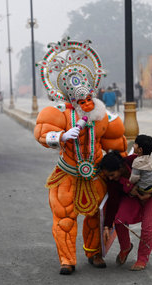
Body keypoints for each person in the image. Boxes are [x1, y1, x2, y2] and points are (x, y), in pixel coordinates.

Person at [34, 38, 127, 275]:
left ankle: (94, 253)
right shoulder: (56, 113)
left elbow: (116, 146)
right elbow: (42, 133)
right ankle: (67, 260)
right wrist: (62, 136)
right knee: (64, 219)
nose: (85, 103)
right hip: (67, 173)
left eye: (88, 99)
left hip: (96, 173)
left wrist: (126, 170)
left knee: (97, 216)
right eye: (80, 100)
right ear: (69, 97)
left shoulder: (103, 115)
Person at [100, 151, 152, 271]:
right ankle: (125, 247)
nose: (110, 178)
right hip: (134, 195)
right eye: (108, 176)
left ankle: (142, 259)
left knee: (147, 226)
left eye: (112, 175)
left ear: (121, 167)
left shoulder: (137, 161)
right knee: (119, 218)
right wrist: (107, 226)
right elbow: (113, 203)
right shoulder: (113, 181)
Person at [129, 135, 152, 201]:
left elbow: (134, 178)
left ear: (140, 150)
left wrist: (129, 182)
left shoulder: (137, 162)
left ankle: (141, 195)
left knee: (132, 190)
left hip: (145, 188)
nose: (133, 145)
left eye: (135, 144)